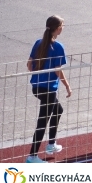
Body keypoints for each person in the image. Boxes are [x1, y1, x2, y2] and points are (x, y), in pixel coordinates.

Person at [26, 15, 71, 163]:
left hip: (37, 87)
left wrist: (39, 74)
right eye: (62, 26)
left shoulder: (38, 43)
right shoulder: (58, 47)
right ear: (58, 29)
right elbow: (58, 70)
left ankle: (51, 144)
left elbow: (29, 65)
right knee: (42, 122)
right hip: (49, 90)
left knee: (58, 109)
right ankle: (32, 156)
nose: (63, 28)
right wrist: (67, 85)